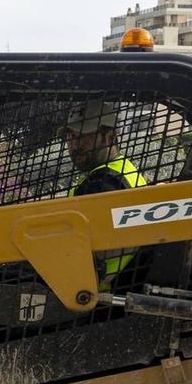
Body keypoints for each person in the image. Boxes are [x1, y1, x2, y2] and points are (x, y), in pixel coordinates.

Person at [64, 100, 146, 282]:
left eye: (85, 136)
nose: (75, 145)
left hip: (99, 296)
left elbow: (74, 247)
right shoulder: (123, 170)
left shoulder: (105, 183)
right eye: (71, 136)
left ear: (111, 137)